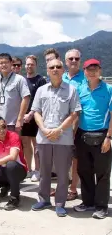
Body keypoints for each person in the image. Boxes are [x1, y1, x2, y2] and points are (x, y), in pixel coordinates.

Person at [31, 59, 81, 217]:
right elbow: (36, 112)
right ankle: (44, 199)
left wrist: (59, 129)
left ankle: (60, 203)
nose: (55, 69)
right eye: (51, 67)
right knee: (44, 171)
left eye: (58, 67)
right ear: (47, 71)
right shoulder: (41, 90)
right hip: (44, 137)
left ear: (62, 70)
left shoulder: (71, 90)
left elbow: (75, 113)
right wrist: (44, 129)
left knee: (62, 172)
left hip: (63, 138)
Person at [74, 59, 112, 219]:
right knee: (84, 170)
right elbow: (76, 114)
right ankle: (88, 202)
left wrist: (109, 137)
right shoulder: (79, 89)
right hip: (82, 134)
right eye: (89, 69)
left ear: (100, 70)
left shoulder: (109, 89)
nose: (92, 71)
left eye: (95, 68)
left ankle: (102, 206)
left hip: (102, 134)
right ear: (85, 72)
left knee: (102, 172)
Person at [62, 49, 85, 201]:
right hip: (61, 125)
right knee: (62, 159)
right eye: (71, 58)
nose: (74, 60)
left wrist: (75, 128)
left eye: (77, 58)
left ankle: (73, 189)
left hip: (78, 125)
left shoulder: (85, 78)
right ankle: (62, 187)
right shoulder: (61, 76)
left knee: (75, 159)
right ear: (66, 61)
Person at [21, 55, 46, 181]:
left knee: (36, 144)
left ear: (36, 65)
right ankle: (28, 169)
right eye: (28, 64)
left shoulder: (41, 80)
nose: (29, 66)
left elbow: (41, 100)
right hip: (23, 117)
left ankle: (37, 169)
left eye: (32, 64)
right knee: (25, 144)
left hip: (36, 116)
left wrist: (31, 113)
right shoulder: (22, 80)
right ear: (25, 65)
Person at [0, 53, 30, 133]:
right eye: (1, 63)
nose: (4, 65)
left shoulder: (19, 79)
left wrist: (20, 120)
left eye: (6, 62)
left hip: (13, 124)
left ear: (11, 63)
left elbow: (26, 98)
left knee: (14, 145)